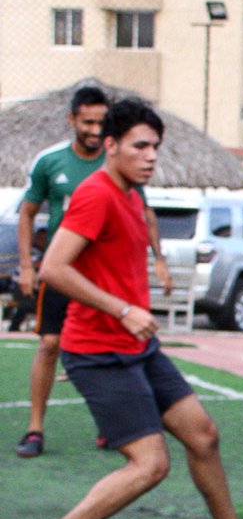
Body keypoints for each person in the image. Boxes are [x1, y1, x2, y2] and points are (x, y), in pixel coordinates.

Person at [18, 97, 243, 519]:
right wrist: (121, 308)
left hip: (134, 347)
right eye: (140, 146)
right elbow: (55, 269)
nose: (149, 156)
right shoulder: (96, 194)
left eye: (155, 148)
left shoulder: (129, 194)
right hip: (100, 351)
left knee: (202, 435)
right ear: (111, 145)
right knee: (150, 464)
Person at [14, 85, 171, 458]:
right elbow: (28, 213)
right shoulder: (51, 162)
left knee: (108, 346)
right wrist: (25, 265)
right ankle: (35, 428)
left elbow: (143, 213)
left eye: (101, 122)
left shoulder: (125, 163)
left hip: (102, 278)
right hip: (64, 270)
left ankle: (112, 426)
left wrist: (159, 259)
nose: (94, 130)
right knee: (50, 345)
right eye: (87, 122)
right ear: (72, 120)